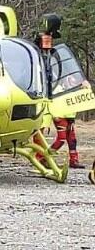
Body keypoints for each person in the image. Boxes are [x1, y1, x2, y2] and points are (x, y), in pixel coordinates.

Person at [35, 13, 81, 168]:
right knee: (61, 139)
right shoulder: (59, 85)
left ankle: (74, 160)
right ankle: (44, 157)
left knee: (71, 138)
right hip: (59, 114)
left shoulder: (65, 81)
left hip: (69, 115)